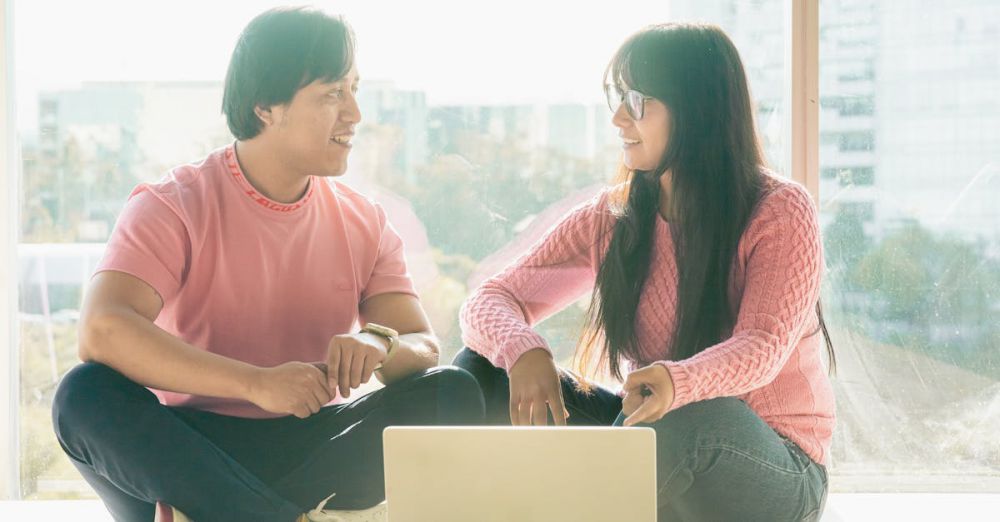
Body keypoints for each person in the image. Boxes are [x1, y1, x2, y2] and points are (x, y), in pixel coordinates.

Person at [51, 8, 483, 522]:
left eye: (354, 89)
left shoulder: (363, 219)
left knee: (452, 390)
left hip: (308, 445)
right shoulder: (174, 203)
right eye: (332, 94)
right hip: (190, 449)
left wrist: (379, 341)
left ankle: (243, 513)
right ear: (265, 107)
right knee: (83, 394)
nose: (355, 114)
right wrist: (256, 383)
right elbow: (104, 330)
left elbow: (422, 345)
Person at [455, 22, 834, 521]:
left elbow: (762, 347)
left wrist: (677, 383)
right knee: (483, 368)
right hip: (654, 438)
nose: (617, 118)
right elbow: (489, 299)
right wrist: (522, 350)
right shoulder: (612, 217)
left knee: (696, 412)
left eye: (636, 101)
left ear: (697, 112)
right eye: (618, 97)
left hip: (776, 468)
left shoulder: (779, 210)